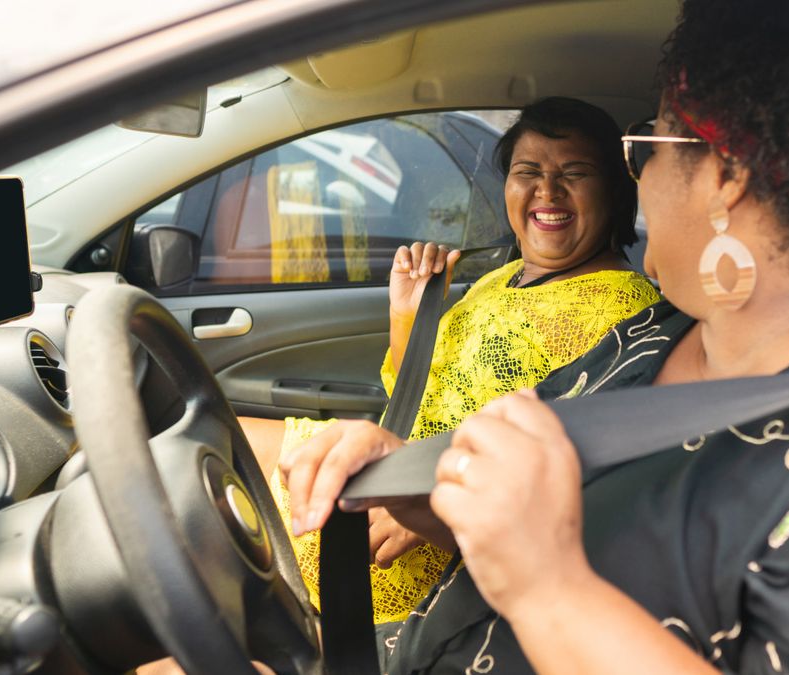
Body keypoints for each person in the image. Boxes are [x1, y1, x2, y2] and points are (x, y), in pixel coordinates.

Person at [281, 0, 789, 672]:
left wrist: (552, 588)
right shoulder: (654, 334)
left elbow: (545, 559)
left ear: (725, 173)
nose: (640, 176)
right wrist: (412, 474)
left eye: (647, 143)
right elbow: (522, 513)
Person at [245, 97, 660, 623]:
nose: (547, 192)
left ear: (617, 191)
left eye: (574, 174)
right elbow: (421, 401)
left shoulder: (621, 306)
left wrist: (428, 502)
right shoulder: (501, 278)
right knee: (209, 446)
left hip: (433, 542)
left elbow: (571, 468)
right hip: (396, 474)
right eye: (527, 172)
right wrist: (408, 319)